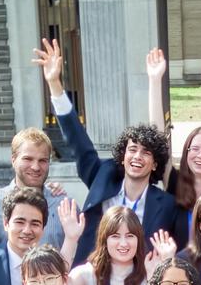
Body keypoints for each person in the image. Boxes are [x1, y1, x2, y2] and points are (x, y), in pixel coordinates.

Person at [34, 38, 177, 264]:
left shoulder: (166, 204)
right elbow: (78, 142)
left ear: (155, 162)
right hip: (93, 278)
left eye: (146, 153)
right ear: (123, 156)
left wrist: (155, 81)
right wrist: (55, 85)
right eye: (133, 150)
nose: (138, 157)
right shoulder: (102, 176)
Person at [147, 47, 201, 246]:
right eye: (194, 149)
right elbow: (157, 139)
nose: (200, 155)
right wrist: (154, 80)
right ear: (186, 153)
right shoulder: (174, 182)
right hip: (181, 272)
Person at [0, 128, 68, 248]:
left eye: (42, 160)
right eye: (28, 159)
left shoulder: (64, 205)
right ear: (13, 160)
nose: (35, 167)